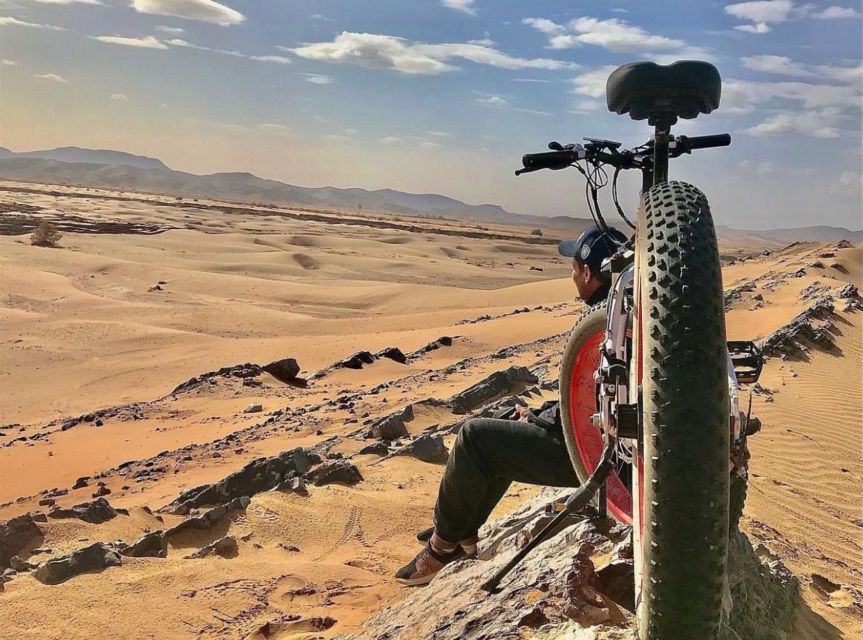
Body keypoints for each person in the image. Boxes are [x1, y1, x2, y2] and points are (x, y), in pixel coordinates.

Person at [395, 225, 628, 586]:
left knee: (475, 438)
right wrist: (539, 415)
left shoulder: (607, 327)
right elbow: (590, 394)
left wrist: (542, 417)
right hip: (603, 443)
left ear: (586, 273)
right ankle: (463, 530)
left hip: (595, 456)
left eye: (573, 267)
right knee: (506, 422)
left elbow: (594, 405)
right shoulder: (623, 312)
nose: (570, 275)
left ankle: (443, 548)